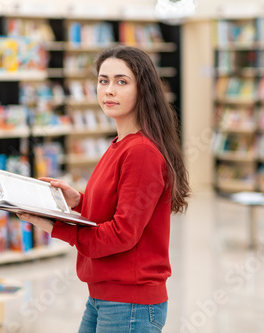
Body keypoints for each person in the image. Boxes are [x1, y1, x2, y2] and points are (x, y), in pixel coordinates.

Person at [17, 45, 190, 332]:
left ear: (143, 89)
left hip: (130, 303)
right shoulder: (120, 144)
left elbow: (123, 234)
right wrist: (79, 201)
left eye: (121, 81)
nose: (109, 90)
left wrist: (56, 228)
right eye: (103, 80)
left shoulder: (141, 152)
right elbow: (117, 210)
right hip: (105, 295)